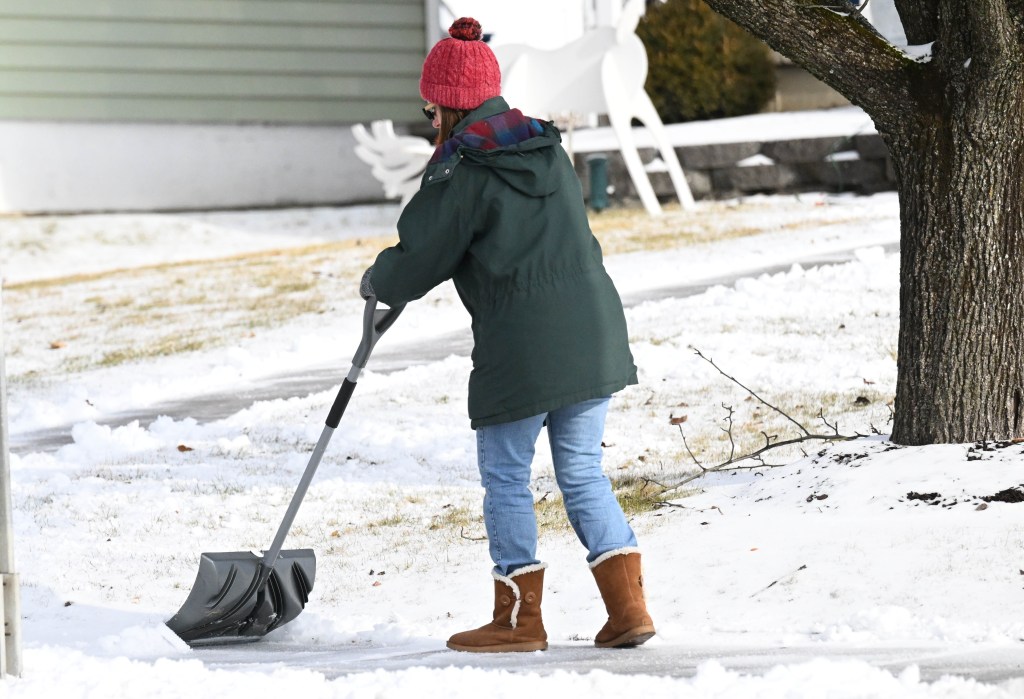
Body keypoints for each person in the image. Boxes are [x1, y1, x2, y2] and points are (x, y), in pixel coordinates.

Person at [360, 17, 655, 653]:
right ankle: (628, 609)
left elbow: (421, 255)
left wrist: (379, 279)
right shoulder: (546, 148)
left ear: (447, 105)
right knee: (582, 472)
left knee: (506, 477)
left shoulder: (464, 167)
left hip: (523, 345)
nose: (430, 120)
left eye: (431, 108)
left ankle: (519, 621)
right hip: (594, 331)